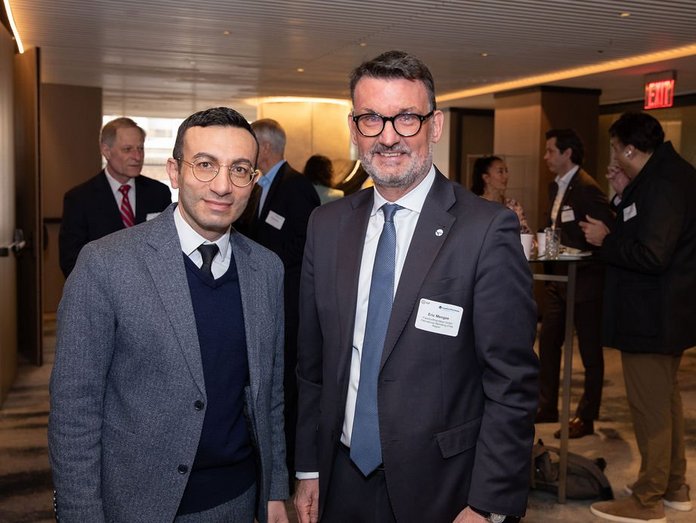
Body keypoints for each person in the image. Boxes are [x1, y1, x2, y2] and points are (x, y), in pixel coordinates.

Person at [293, 50, 538, 523]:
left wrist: (487, 504)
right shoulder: (326, 225)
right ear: (353, 128)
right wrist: (308, 468)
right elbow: (312, 365)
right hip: (340, 478)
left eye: (406, 118)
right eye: (371, 118)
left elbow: (512, 382)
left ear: (435, 125)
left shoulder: (485, 230)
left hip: (444, 489)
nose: (388, 137)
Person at [48, 107, 289, 523]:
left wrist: (275, 489)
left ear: (253, 180)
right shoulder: (106, 265)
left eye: (239, 170)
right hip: (137, 505)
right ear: (175, 172)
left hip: (239, 499)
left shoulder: (266, 269)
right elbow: (74, 410)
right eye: (205, 165)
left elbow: (270, 397)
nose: (222, 186)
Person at [580, 112, 696, 523]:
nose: (613, 156)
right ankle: (674, 487)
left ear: (630, 149)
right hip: (662, 314)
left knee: (651, 410)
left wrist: (606, 240)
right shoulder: (663, 175)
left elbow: (652, 253)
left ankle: (648, 500)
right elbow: (644, 227)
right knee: (664, 403)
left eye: (615, 148)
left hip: (652, 316)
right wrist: (621, 196)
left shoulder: (664, 183)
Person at [239, 118, 320, 488]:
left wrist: (262, 264)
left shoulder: (297, 187)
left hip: (288, 303)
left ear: (265, 148)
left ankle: (285, 465)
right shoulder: (258, 186)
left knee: (285, 385)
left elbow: (303, 246)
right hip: (262, 299)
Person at [536, 128, 614, 439]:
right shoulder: (555, 186)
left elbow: (604, 232)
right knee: (548, 342)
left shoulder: (587, 188)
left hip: (586, 280)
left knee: (590, 352)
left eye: (550, 151)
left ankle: (586, 415)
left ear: (567, 154)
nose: (545, 157)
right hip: (558, 279)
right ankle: (547, 405)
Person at [58, 117, 172, 277]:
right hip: (102, 288)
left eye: (140, 148)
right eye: (127, 149)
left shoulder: (159, 193)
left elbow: (168, 247)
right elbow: (71, 262)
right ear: (106, 151)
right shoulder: (79, 199)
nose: (137, 156)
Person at [471, 155, 531, 233]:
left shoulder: (513, 205)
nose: (506, 176)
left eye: (506, 171)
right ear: (486, 178)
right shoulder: (476, 206)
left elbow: (526, 233)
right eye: (500, 172)